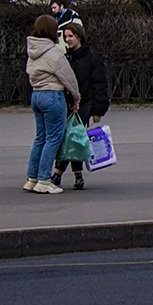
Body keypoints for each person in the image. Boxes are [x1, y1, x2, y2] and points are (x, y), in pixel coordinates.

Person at [24, 15, 81, 193]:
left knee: (40, 137)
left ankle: (31, 178)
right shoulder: (53, 52)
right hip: (52, 95)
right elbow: (68, 76)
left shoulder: (33, 51)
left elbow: (29, 72)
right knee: (53, 138)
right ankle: (44, 180)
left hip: (37, 95)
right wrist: (76, 95)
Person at [51, 22, 110, 190]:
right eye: (65, 36)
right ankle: (77, 176)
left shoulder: (92, 58)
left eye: (70, 36)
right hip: (68, 104)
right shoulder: (67, 57)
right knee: (72, 139)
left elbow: (99, 84)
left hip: (85, 104)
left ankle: (57, 174)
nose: (67, 39)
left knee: (72, 138)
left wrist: (98, 111)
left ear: (79, 36)